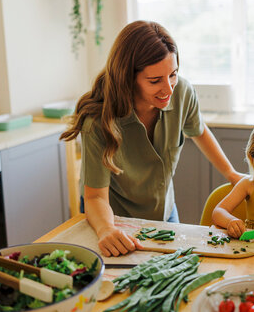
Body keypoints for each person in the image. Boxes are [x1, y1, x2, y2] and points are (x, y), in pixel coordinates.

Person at [60, 20, 243, 257]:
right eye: (155, 81)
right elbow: (95, 196)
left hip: (164, 213)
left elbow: (199, 131)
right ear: (128, 78)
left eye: (173, 74)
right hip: (113, 221)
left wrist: (231, 174)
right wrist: (106, 229)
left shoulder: (182, 92)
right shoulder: (98, 119)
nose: (168, 88)